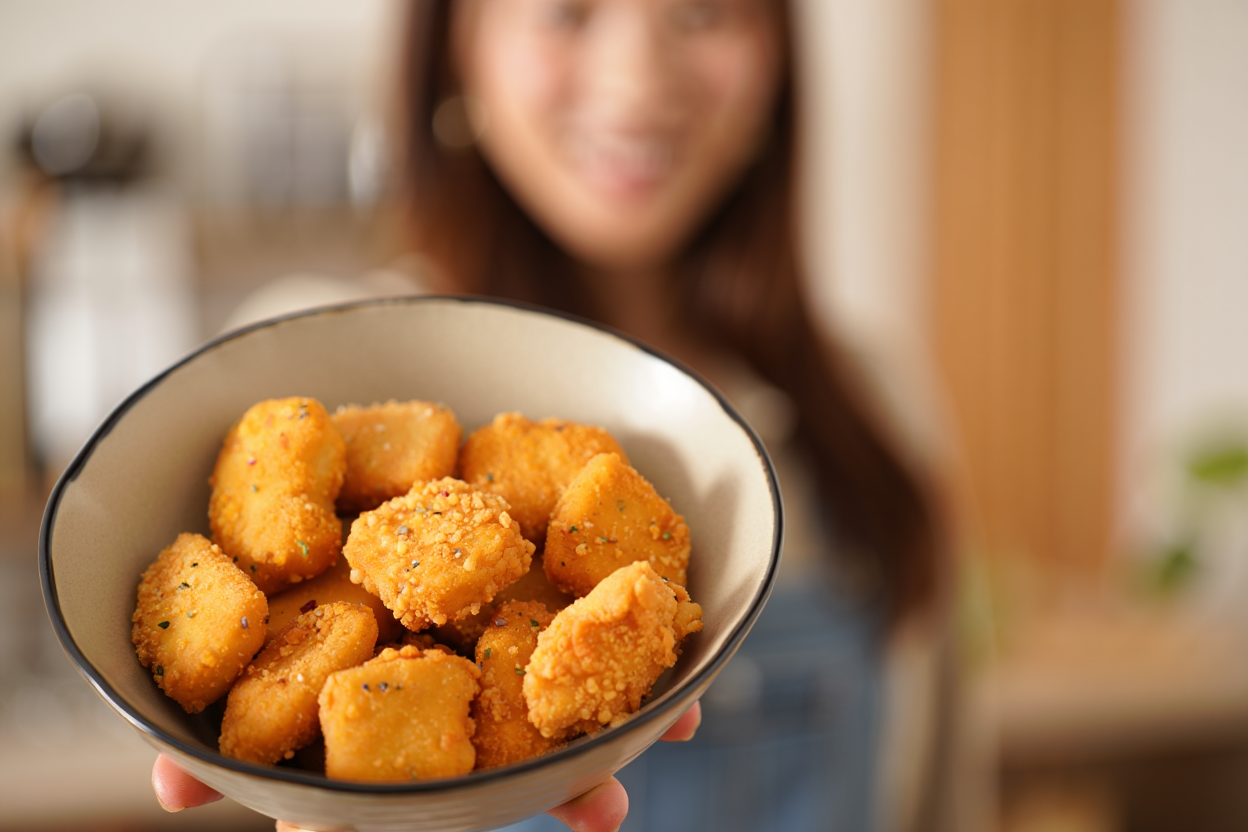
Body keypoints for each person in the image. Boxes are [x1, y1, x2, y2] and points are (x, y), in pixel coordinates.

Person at [155, 1, 944, 829]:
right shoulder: (294, 347)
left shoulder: (873, 400)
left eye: (705, 11)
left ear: (778, 58)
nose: (636, 84)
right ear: (458, 51)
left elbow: (931, 789)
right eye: (564, 11)